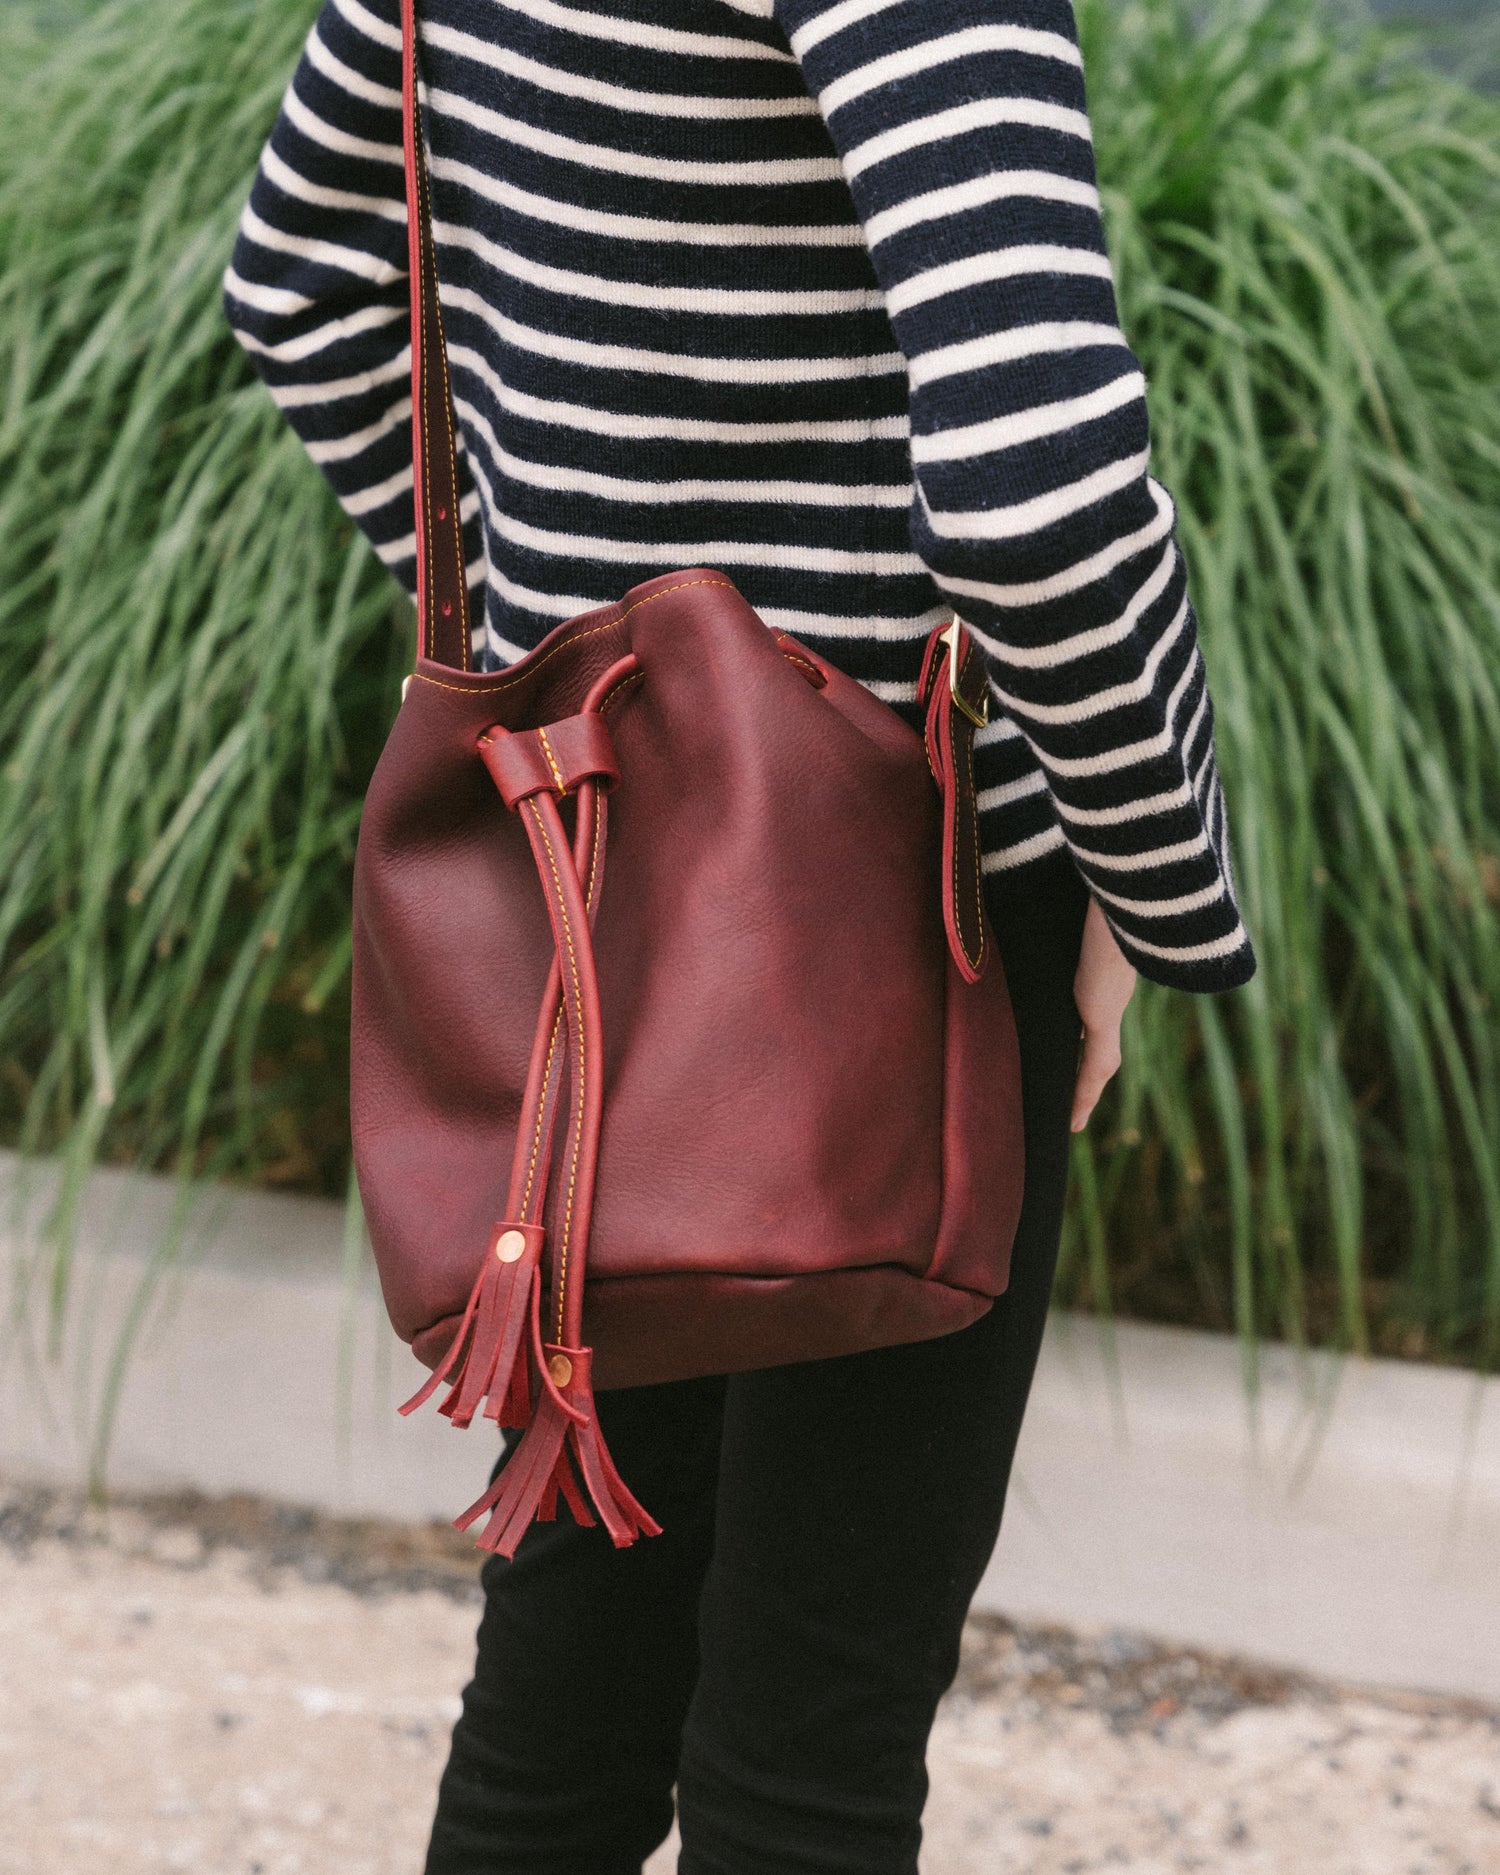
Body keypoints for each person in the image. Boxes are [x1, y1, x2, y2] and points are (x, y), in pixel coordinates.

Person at [226, 0, 1255, 1866]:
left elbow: (302, 279)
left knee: (575, 1670)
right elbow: (1044, 485)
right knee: (812, 1746)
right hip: (904, 917)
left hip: (599, 873)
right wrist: (1156, 881)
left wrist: (589, 691)